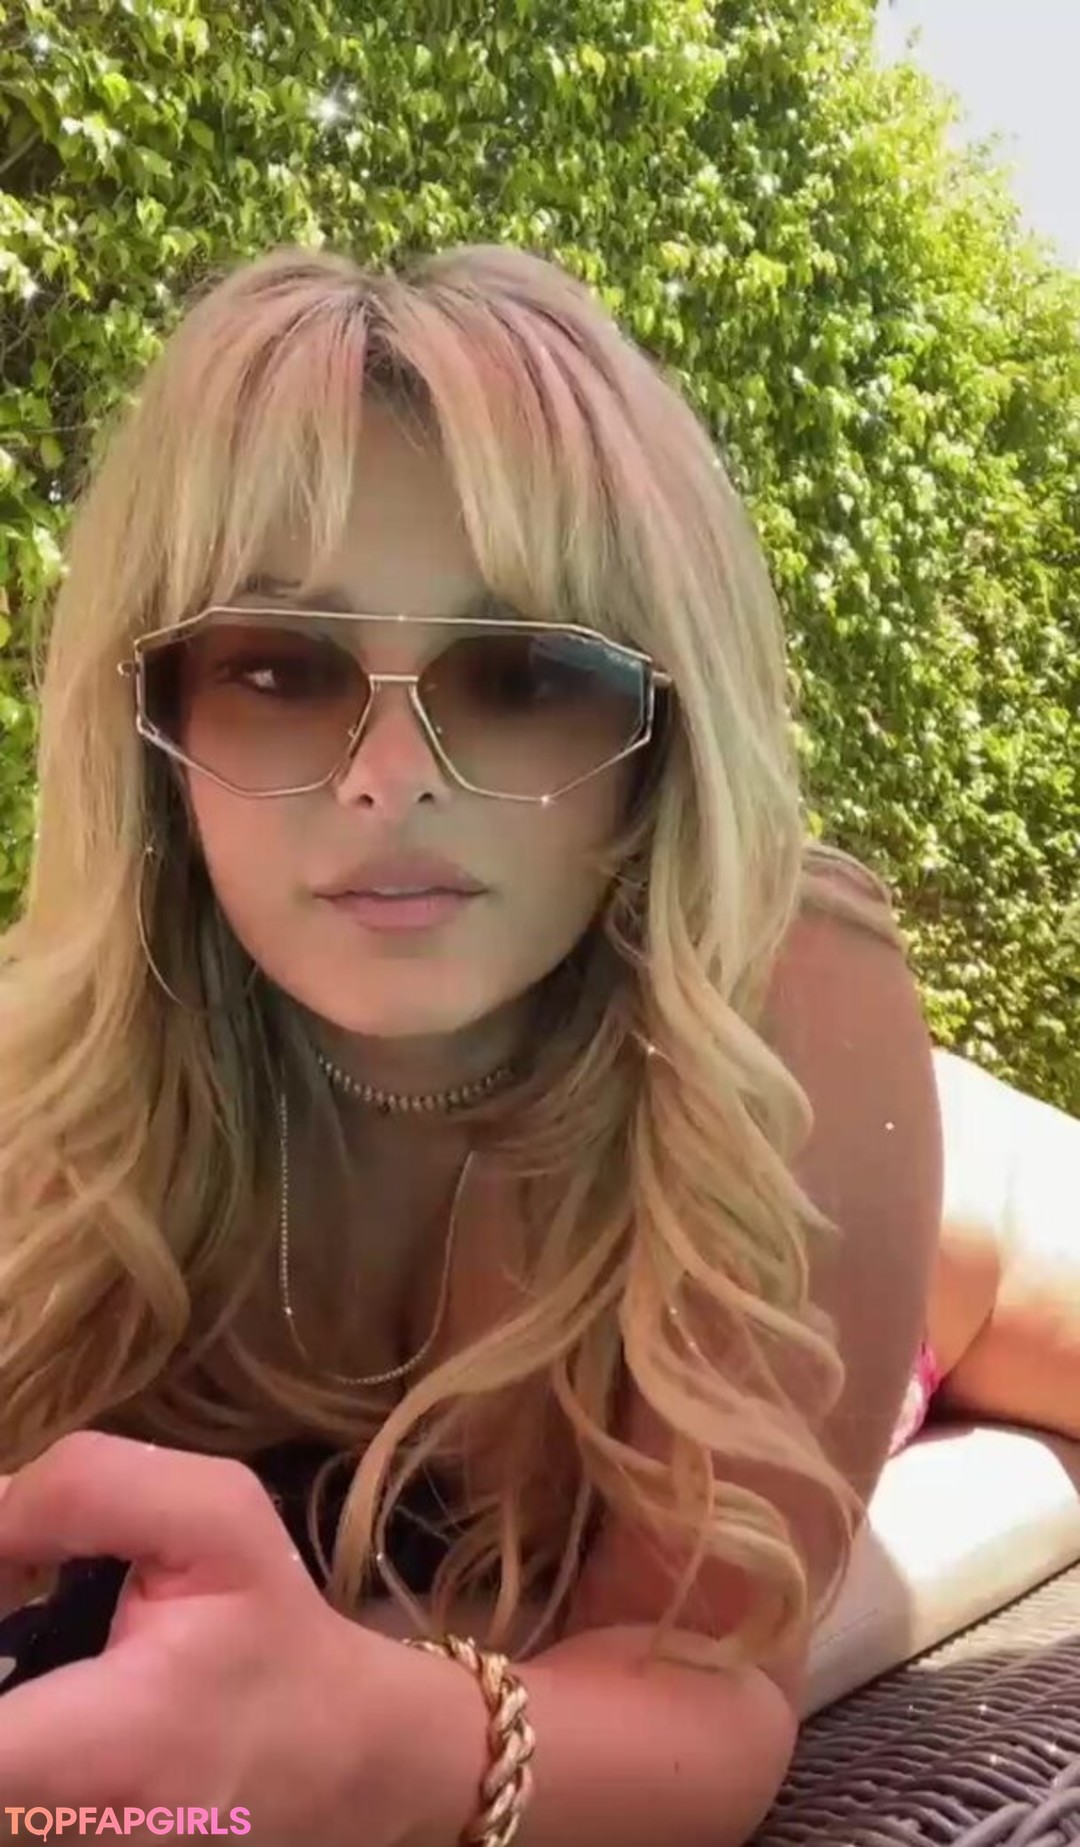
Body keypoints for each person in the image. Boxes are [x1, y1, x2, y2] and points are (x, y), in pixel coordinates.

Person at [0, 243, 942, 1846]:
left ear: (663, 729)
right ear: (151, 728)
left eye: (520, 672)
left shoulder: (790, 1006)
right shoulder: (65, 1060)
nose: (389, 775)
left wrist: (369, 1746)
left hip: (898, 1217)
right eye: (278, 666)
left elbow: (712, 1701)